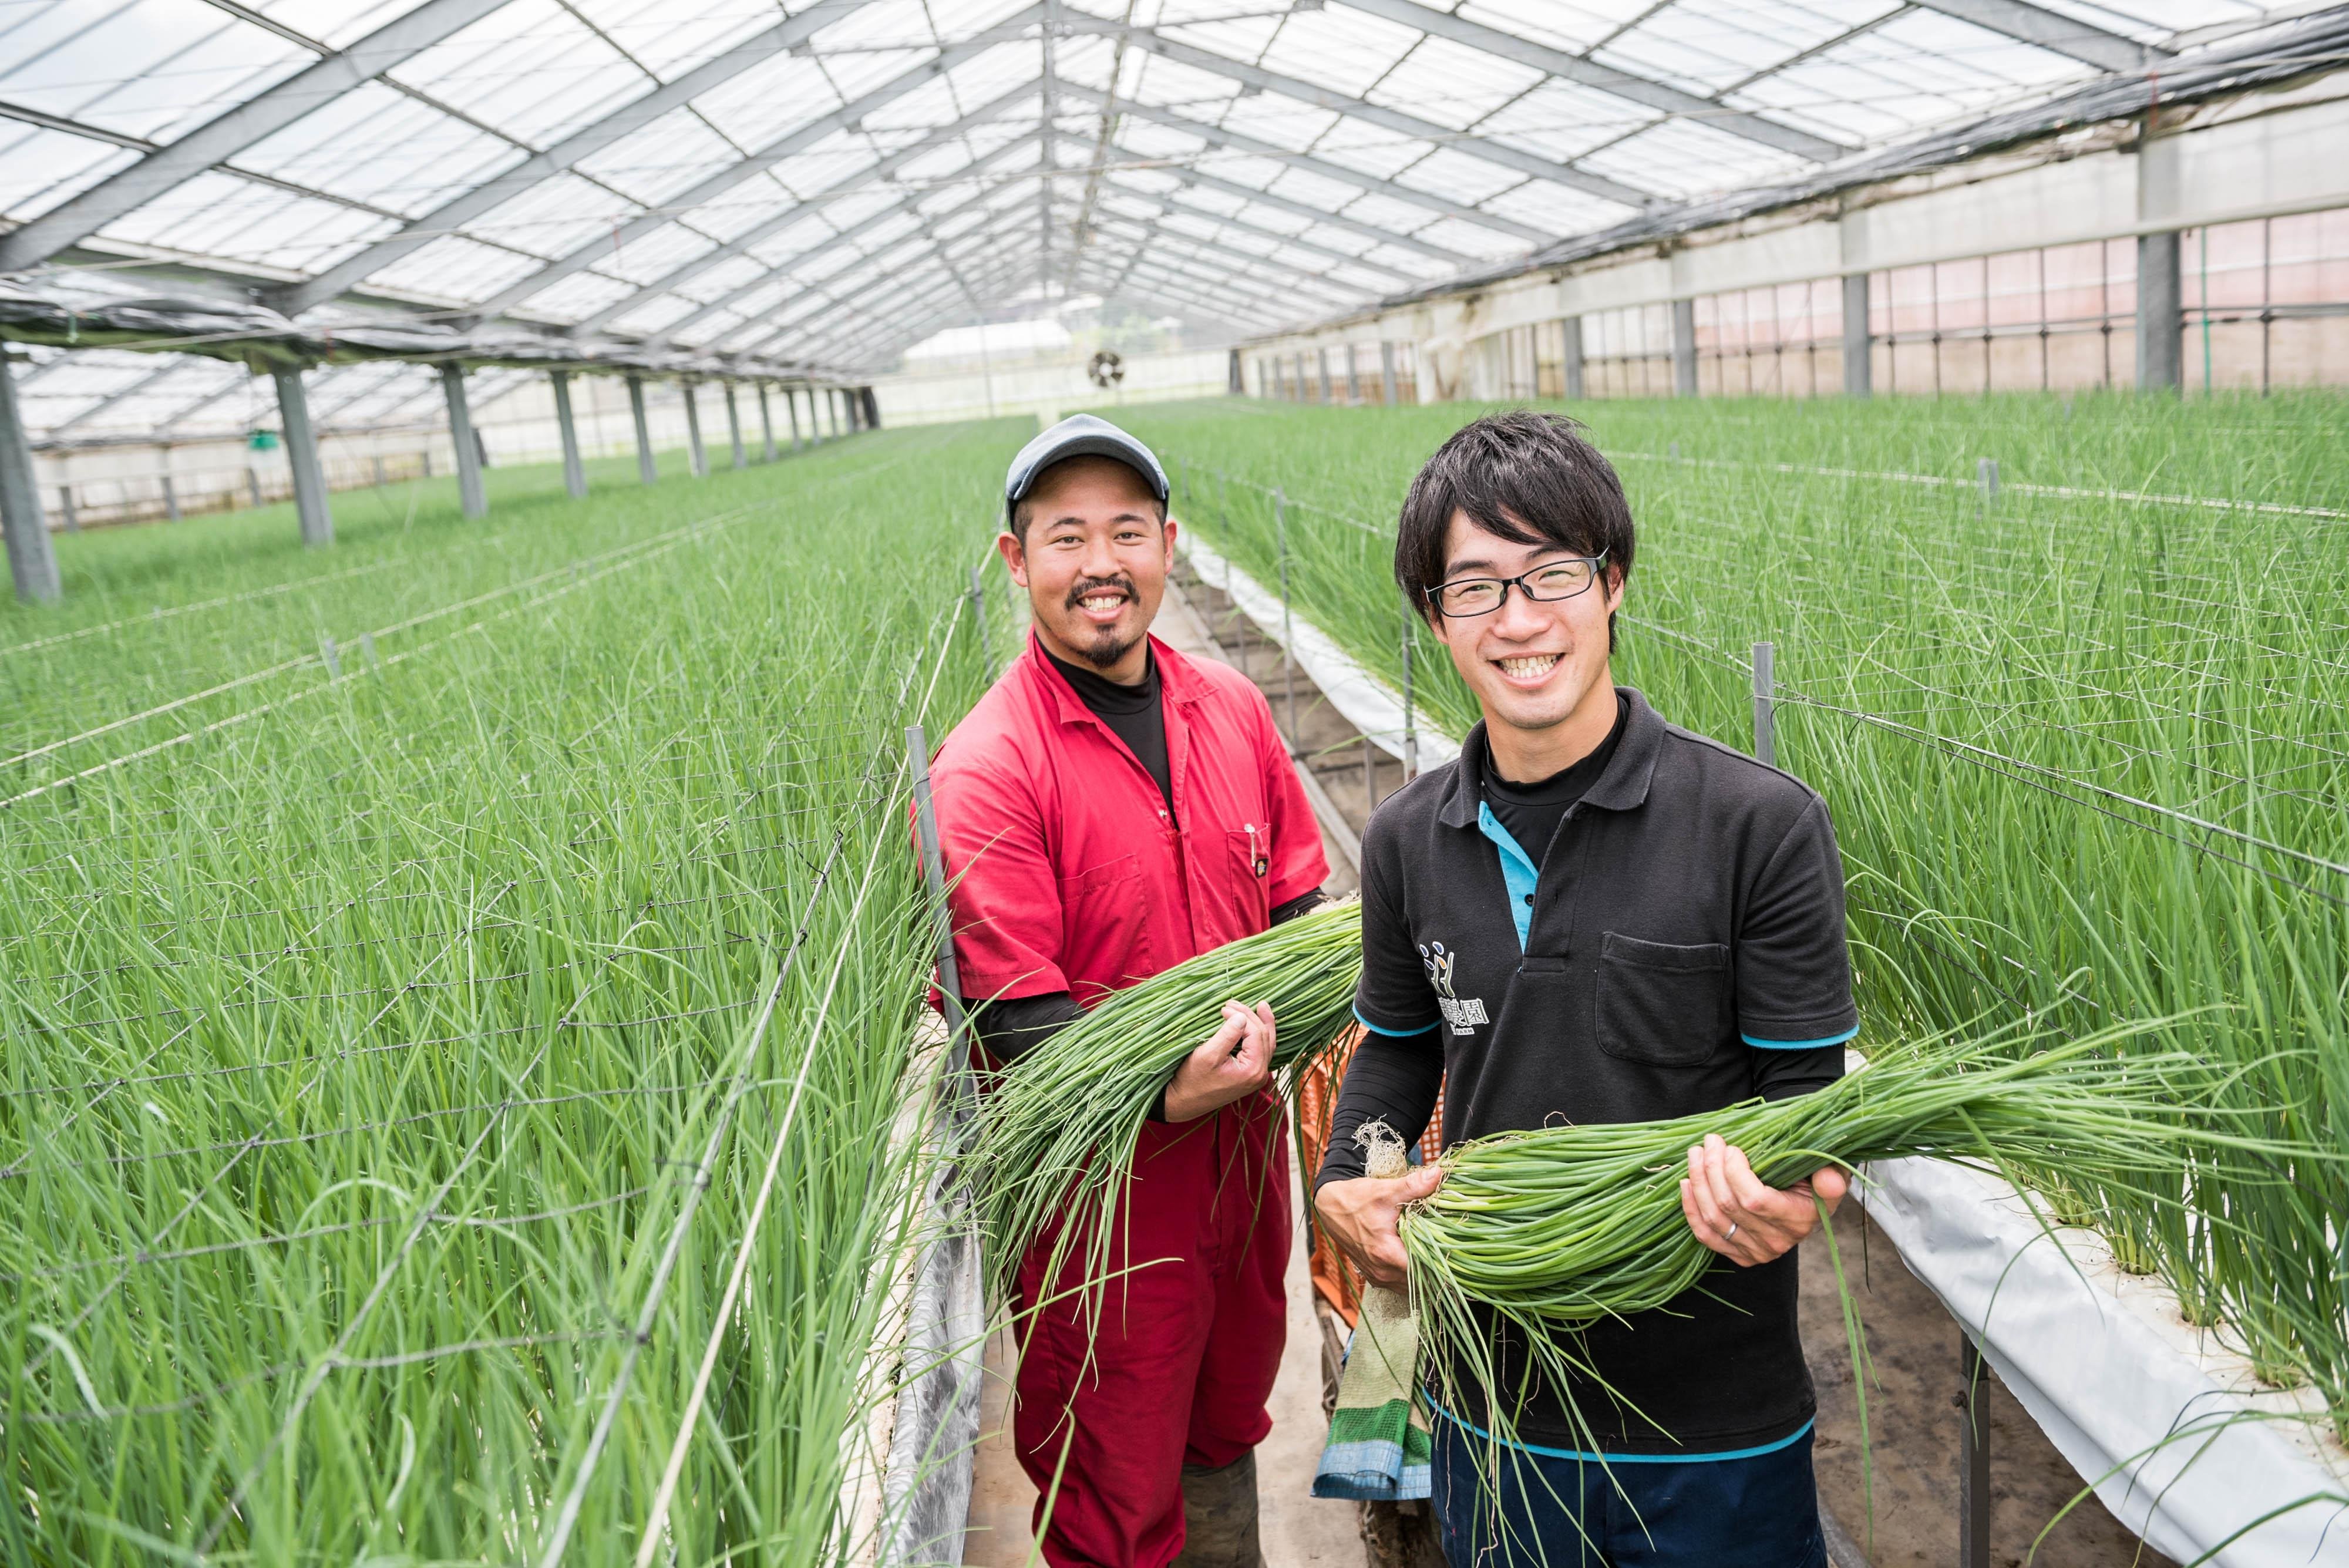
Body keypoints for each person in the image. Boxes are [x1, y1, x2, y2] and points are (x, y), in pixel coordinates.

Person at [1311, 411, 1857, 1567]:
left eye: (1550, 573)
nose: (1516, 620)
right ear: (1432, 618)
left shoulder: (1755, 825)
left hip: (1710, 1416)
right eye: (1474, 589)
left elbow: (1805, 1098)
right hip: (1491, 1403)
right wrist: (1344, 1180)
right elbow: (1400, 1046)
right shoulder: (1409, 838)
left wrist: (1794, 1196)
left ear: (1610, 584)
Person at [928, 415, 1330, 1568]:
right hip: (1100, 1224)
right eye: (1065, 537)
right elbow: (1024, 1033)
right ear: (1017, 563)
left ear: (1165, 545)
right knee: (1112, 1487)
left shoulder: (1232, 709)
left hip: (1242, 1179)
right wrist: (1167, 1097)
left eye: (1124, 531)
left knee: (1222, 1429)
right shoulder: (986, 770)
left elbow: (1296, 904)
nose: (1099, 563)